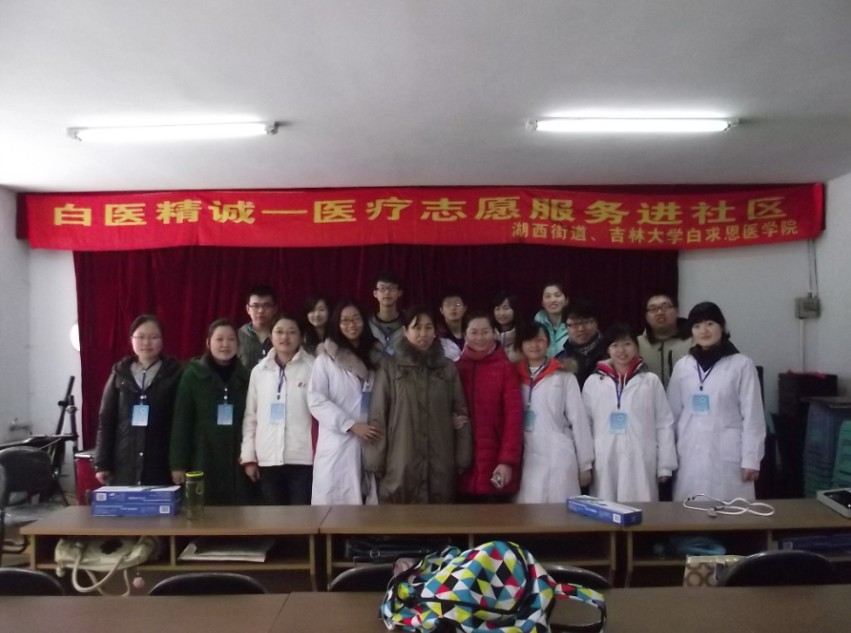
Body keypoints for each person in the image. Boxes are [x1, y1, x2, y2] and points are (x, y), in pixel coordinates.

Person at [364, 306, 472, 503]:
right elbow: (378, 415)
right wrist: (375, 461)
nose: (423, 333)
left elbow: (460, 413)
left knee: (438, 516)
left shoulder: (447, 368)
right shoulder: (390, 368)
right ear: (405, 331)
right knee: (400, 517)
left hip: (440, 459)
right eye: (417, 327)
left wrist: (462, 456)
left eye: (428, 327)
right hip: (400, 460)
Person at [667, 302, 766, 501]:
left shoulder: (741, 365)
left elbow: (753, 416)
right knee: (690, 511)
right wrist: (667, 459)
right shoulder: (683, 366)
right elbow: (672, 415)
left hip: (729, 455)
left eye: (710, 324)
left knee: (731, 511)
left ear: (722, 327)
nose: (703, 331)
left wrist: (751, 459)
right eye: (697, 326)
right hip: (690, 452)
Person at [582, 323, 677, 502]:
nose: (621, 350)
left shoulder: (650, 381)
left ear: (636, 347)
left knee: (641, 507)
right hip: (604, 458)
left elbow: (664, 423)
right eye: (615, 345)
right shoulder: (594, 382)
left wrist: (665, 465)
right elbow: (585, 425)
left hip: (640, 458)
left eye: (627, 344)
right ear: (607, 349)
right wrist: (585, 463)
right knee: (606, 506)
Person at [170, 319, 254, 505]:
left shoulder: (246, 377)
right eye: (219, 339)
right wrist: (178, 464)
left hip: (237, 459)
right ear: (208, 343)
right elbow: (181, 422)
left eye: (231, 339)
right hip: (202, 455)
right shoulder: (192, 375)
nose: (225, 344)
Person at [308, 300, 384, 505]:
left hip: (372, 438)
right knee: (336, 509)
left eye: (356, 319)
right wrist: (350, 425)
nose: (352, 325)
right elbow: (316, 400)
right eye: (345, 320)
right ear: (337, 324)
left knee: (371, 509)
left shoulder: (378, 359)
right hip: (338, 442)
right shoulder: (325, 360)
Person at [94, 315, 182, 486]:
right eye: (140, 337)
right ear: (131, 339)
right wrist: (102, 463)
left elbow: (181, 423)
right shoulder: (120, 373)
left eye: (153, 337)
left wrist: (178, 463)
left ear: (162, 340)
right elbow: (106, 419)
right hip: (123, 461)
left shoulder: (175, 374)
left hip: (161, 461)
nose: (147, 343)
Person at [241, 313, 316, 505]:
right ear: (271, 335)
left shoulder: (314, 368)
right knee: (272, 518)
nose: (285, 337)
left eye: (292, 332)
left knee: (302, 518)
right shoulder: (259, 371)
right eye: (279, 332)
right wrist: (249, 457)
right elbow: (250, 417)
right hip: (268, 458)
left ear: (301, 336)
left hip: (303, 458)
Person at [514, 322, 593, 503]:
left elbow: (579, 420)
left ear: (548, 343)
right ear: (520, 344)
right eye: (529, 341)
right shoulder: (513, 376)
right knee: (528, 511)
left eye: (540, 340)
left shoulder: (564, 376)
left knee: (559, 511)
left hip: (558, 453)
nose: (534, 345)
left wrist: (585, 464)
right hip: (526, 455)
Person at [455, 311, 524, 501]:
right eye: (474, 332)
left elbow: (514, 419)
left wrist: (507, 461)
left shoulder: (505, 368)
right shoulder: (457, 369)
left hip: (496, 464)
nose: (479, 338)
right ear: (465, 334)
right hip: (463, 466)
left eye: (485, 332)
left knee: (496, 518)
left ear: (494, 333)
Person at [637, 291, 693, 389]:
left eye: (665, 307)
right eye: (653, 309)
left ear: (677, 311)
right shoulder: (637, 344)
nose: (659, 312)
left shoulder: (693, 341)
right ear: (646, 316)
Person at [556, 298, 607, 388]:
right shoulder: (560, 360)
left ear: (597, 322)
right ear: (566, 326)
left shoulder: (612, 354)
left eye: (586, 322)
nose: (581, 329)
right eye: (574, 324)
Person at [238, 284, 278, 369]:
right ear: (248, 309)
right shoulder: (237, 336)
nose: (261, 310)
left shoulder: (283, 335)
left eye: (267, 305)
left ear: (275, 309)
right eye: (255, 306)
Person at [368, 270, 405, 356]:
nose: (387, 292)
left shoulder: (408, 322)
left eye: (392, 288)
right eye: (382, 288)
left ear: (400, 293)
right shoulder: (367, 323)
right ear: (375, 293)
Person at [533, 282, 569, 359]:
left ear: (566, 300)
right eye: (548, 296)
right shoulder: (537, 323)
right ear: (542, 302)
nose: (553, 300)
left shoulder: (573, 324)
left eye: (557, 295)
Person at [491, 290, 524, 364]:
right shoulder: (488, 335)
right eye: (497, 309)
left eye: (506, 308)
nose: (502, 313)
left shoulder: (524, 335)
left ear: (515, 310)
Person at [438, 289, 467, 361]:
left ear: (464, 308)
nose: (453, 308)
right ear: (441, 310)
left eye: (457, 304)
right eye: (448, 305)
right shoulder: (437, 336)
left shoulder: (472, 333)